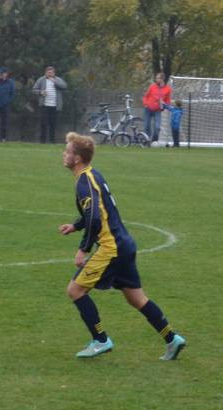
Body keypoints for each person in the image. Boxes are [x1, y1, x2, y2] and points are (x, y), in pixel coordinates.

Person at [58, 132, 186, 360]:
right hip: (124, 244)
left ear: (77, 158)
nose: (63, 154)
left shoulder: (84, 183)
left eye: (67, 151)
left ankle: (100, 340)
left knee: (75, 290)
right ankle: (172, 339)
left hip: (112, 248)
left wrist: (83, 249)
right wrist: (76, 226)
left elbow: (95, 219)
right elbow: (98, 212)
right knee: (136, 298)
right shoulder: (94, 175)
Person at [33, 66, 68, 144]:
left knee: (53, 124)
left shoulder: (58, 79)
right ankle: (42, 141)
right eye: (48, 72)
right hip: (44, 105)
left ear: (54, 73)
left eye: (51, 72)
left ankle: (52, 141)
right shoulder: (41, 79)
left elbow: (64, 86)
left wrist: (54, 81)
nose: (49, 74)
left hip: (55, 106)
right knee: (43, 123)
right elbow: (34, 89)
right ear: (45, 73)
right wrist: (40, 92)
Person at [142, 72, 172, 144]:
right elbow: (145, 96)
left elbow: (168, 102)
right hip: (148, 109)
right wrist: (146, 104)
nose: (156, 79)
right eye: (156, 78)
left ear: (162, 79)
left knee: (157, 127)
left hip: (157, 111)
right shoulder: (152, 86)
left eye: (157, 78)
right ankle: (146, 141)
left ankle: (154, 142)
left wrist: (164, 104)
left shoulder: (168, 89)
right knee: (146, 127)